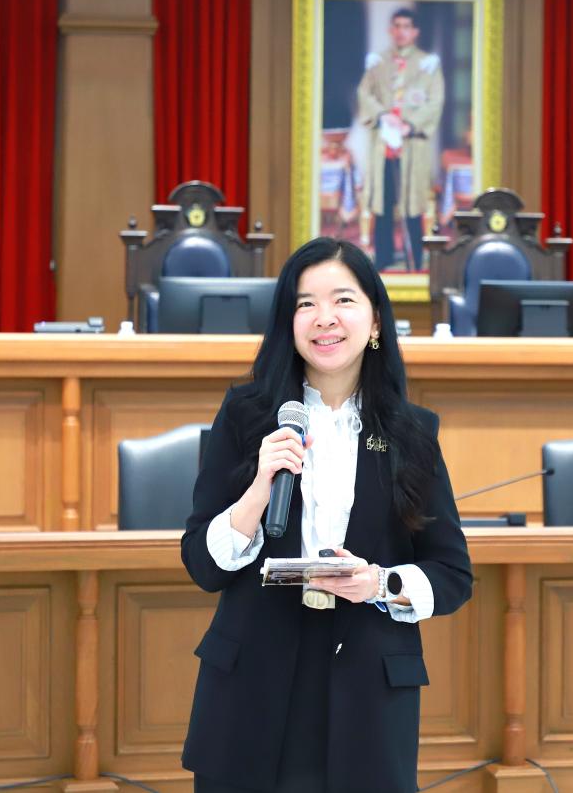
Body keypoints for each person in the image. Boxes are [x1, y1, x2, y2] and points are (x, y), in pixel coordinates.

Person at [181, 237, 473, 792]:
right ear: (287, 323)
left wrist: (379, 583)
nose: (324, 318)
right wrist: (257, 491)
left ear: (376, 320)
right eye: (305, 303)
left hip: (367, 694)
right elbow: (201, 564)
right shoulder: (246, 416)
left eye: (343, 300)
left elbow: (453, 574)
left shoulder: (412, 432)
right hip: (252, 689)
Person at [357, 7, 445, 272]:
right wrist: (383, 115)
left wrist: (410, 124)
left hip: (411, 144)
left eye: (406, 26)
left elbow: (435, 101)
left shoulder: (428, 64)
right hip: (384, 144)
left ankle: (413, 258)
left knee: (412, 203)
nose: (401, 32)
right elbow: (364, 93)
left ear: (415, 31)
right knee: (383, 204)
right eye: (396, 26)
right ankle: (383, 258)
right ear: (390, 30)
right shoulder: (378, 62)